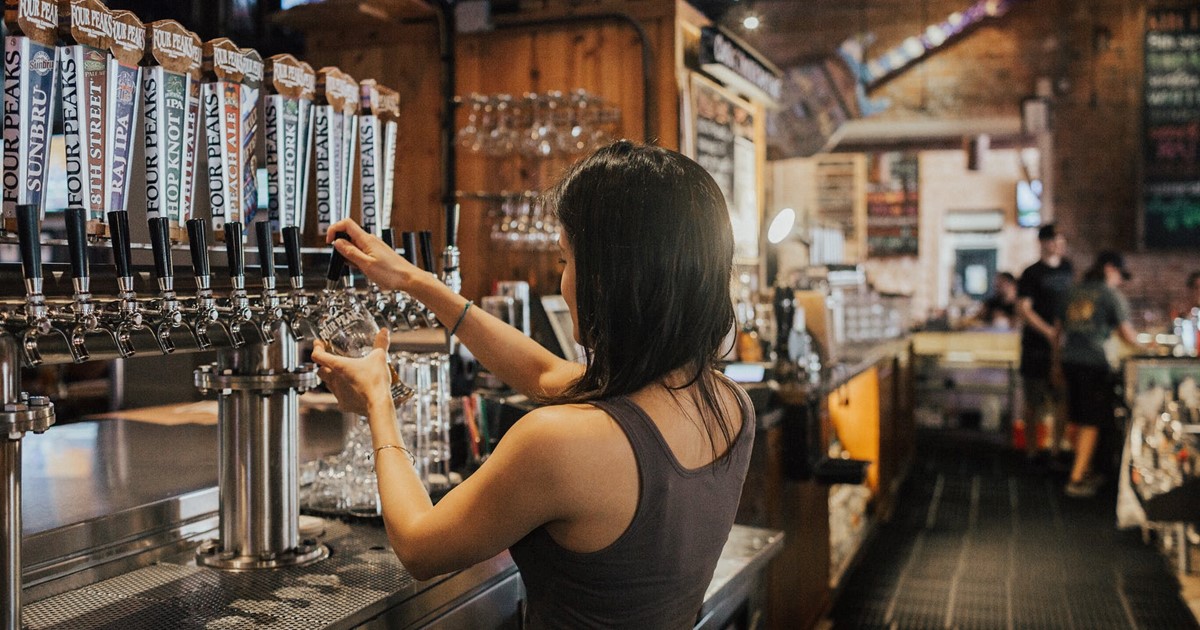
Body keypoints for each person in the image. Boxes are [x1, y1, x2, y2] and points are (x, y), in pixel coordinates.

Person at [312, 141, 755, 628]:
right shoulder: (727, 403)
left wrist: (378, 400)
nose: (563, 283)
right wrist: (417, 281)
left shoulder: (559, 442)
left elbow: (418, 547)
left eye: (566, 260)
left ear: (609, 280)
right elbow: (544, 373)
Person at [1059, 251, 1141, 498]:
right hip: (1094, 363)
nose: (1121, 282)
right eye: (1120, 276)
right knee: (1092, 421)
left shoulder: (1071, 291)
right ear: (1109, 269)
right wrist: (1150, 348)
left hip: (1068, 360)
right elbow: (1128, 335)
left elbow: (1057, 332)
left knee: (1076, 416)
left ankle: (1085, 468)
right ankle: (1077, 477)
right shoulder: (1110, 295)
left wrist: (1055, 365)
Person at [1016, 224, 1073, 459]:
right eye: (1055, 240)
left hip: (1063, 346)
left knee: (1062, 399)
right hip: (1036, 346)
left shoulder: (1068, 269)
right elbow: (1024, 309)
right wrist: (1048, 331)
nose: (1060, 245)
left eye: (1062, 240)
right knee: (1033, 401)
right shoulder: (1031, 273)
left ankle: (1056, 449)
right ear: (1044, 243)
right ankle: (1032, 451)